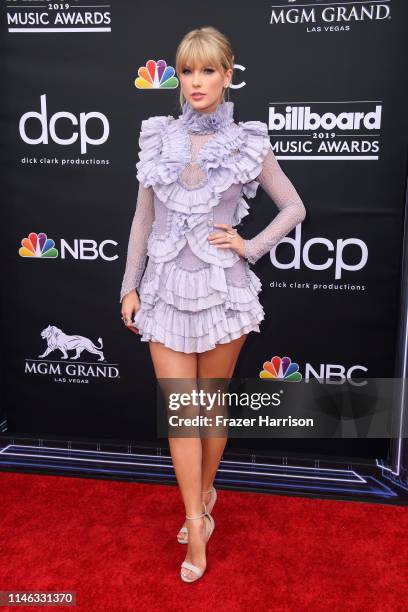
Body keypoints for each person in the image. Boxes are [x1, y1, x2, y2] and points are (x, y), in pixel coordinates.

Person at [120, 26, 306, 583]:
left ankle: (206, 490)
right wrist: (129, 285)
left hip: (223, 291)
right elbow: (142, 220)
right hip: (164, 292)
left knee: (210, 407)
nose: (196, 82)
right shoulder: (157, 137)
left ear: (227, 75)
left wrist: (248, 246)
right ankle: (196, 521)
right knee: (182, 412)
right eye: (187, 71)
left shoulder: (248, 142)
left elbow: (294, 206)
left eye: (208, 71)